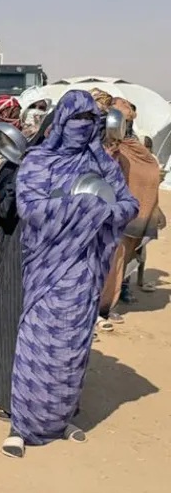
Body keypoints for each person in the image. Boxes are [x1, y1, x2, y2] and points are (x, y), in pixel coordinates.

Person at [3, 90, 138, 458]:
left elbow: (128, 205)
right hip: (46, 269)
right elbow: (29, 208)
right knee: (36, 345)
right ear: (61, 121)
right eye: (76, 119)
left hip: (84, 271)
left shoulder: (101, 164)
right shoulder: (39, 161)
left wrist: (103, 210)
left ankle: (60, 420)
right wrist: (83, 205)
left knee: (71, 349)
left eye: (89, 120)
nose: (82, 126)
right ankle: (21, 426)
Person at [0, 112, 54, 421]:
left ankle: (42, 396)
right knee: (8, 319)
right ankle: (4, 392)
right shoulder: (26, 162)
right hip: (17, 251)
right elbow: (5, 208)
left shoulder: (82, 165)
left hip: (55, 259)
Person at [97, 97, 162, 327]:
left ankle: (106, 305)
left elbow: (147, 170)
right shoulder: (97, 143)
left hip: (122, 213)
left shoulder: (132, 145)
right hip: (97, 212)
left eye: (128, 122)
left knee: (118, 259)